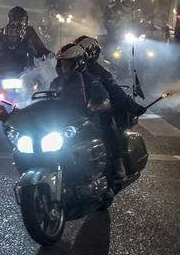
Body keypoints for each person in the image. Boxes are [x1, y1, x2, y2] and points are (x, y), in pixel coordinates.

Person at [50, 38, 144, 181]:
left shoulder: (95, 77)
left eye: (68, 64)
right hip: (67, 119)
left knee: (107, 126)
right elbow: (48, 98)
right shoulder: (56, 81)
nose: (64, 68)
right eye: (62, 64)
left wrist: (100, 105)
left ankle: (116, 162)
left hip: (90, 116)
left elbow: (114, 92)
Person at [0, 6, 51, 74]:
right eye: (15, 19)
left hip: (26, 72)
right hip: (4, 72)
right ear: (10, 20)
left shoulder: (29, 32)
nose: (17, 24)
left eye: (21, 20)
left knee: (39, 81)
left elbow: (39, 46)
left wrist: (46, 54)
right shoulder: (2, 35)